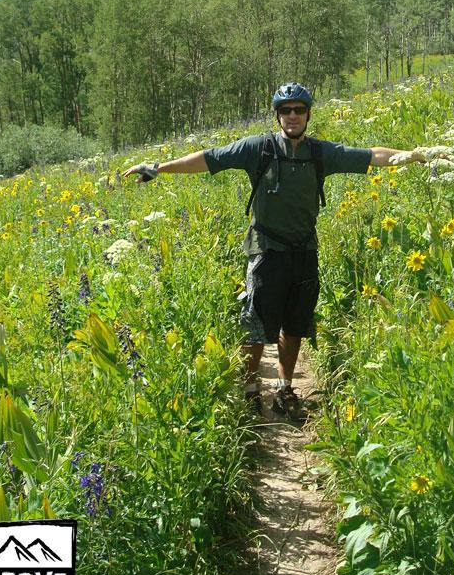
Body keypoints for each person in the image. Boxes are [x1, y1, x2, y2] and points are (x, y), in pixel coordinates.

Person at [124, 82, 437, 417]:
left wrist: (415, 156)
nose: (292, 116)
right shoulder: (257, 148)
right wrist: (160, 168)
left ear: (308, 114)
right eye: (285, 110)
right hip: (265, 250)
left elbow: (373, 155)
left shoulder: (320, 153)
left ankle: (286, 389)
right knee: (256, 324)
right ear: (277, 115)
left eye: (298, 110)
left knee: (295, 324)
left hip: (304, 250)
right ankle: (249, 389)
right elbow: (209, 159)